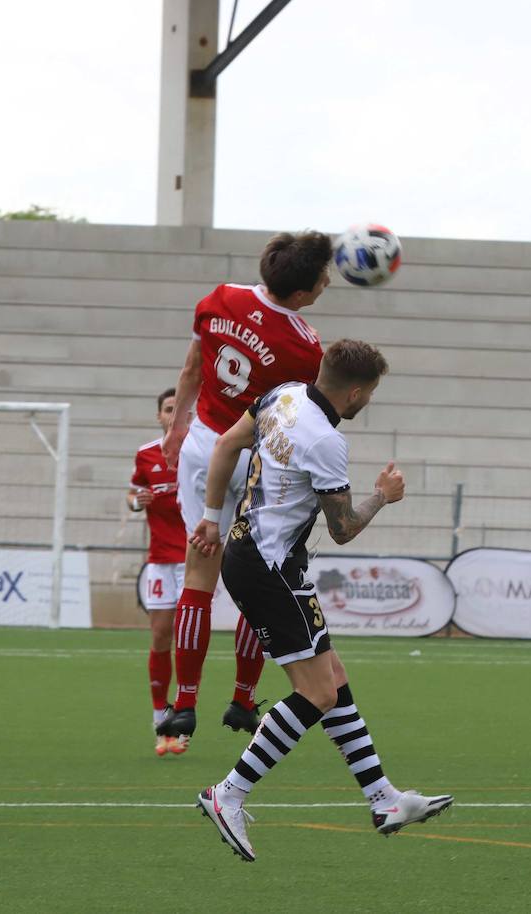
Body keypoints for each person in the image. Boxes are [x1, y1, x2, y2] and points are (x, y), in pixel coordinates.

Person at [188, 340, 452, 862]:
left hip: (251, 551)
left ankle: (384, 800)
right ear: (354, 391)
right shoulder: (327, 441)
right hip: (271, 569)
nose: (368, 402)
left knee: (333, 677)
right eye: (370, 393)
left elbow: (224, 446)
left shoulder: (282, 395)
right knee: (319, 694)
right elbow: (344, 529)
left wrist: (209, 518)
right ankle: (229, 794)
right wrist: (384, 495)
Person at [157, 230, 334, 750]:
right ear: (302, 293)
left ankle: (184, 704)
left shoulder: (219, 299)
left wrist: (175, 428)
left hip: (204, 446)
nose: (327, 282)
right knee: (255, 583)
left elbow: (192, 368)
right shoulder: (305, 347)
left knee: (199, 573)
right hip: (259, 463)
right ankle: (241, 696)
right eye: (323, 277)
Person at [129, 387, 187, 756]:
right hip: (159, 559)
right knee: (161, 636)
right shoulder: (146, 454)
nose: (175, 414)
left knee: (187, 637)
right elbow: (133, 493)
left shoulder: (203, 453)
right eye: (169, 409)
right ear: (160, 416)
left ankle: (183, 717)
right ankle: (159, 718)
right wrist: (137, 502)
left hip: (195, 560)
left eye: (181, 409)